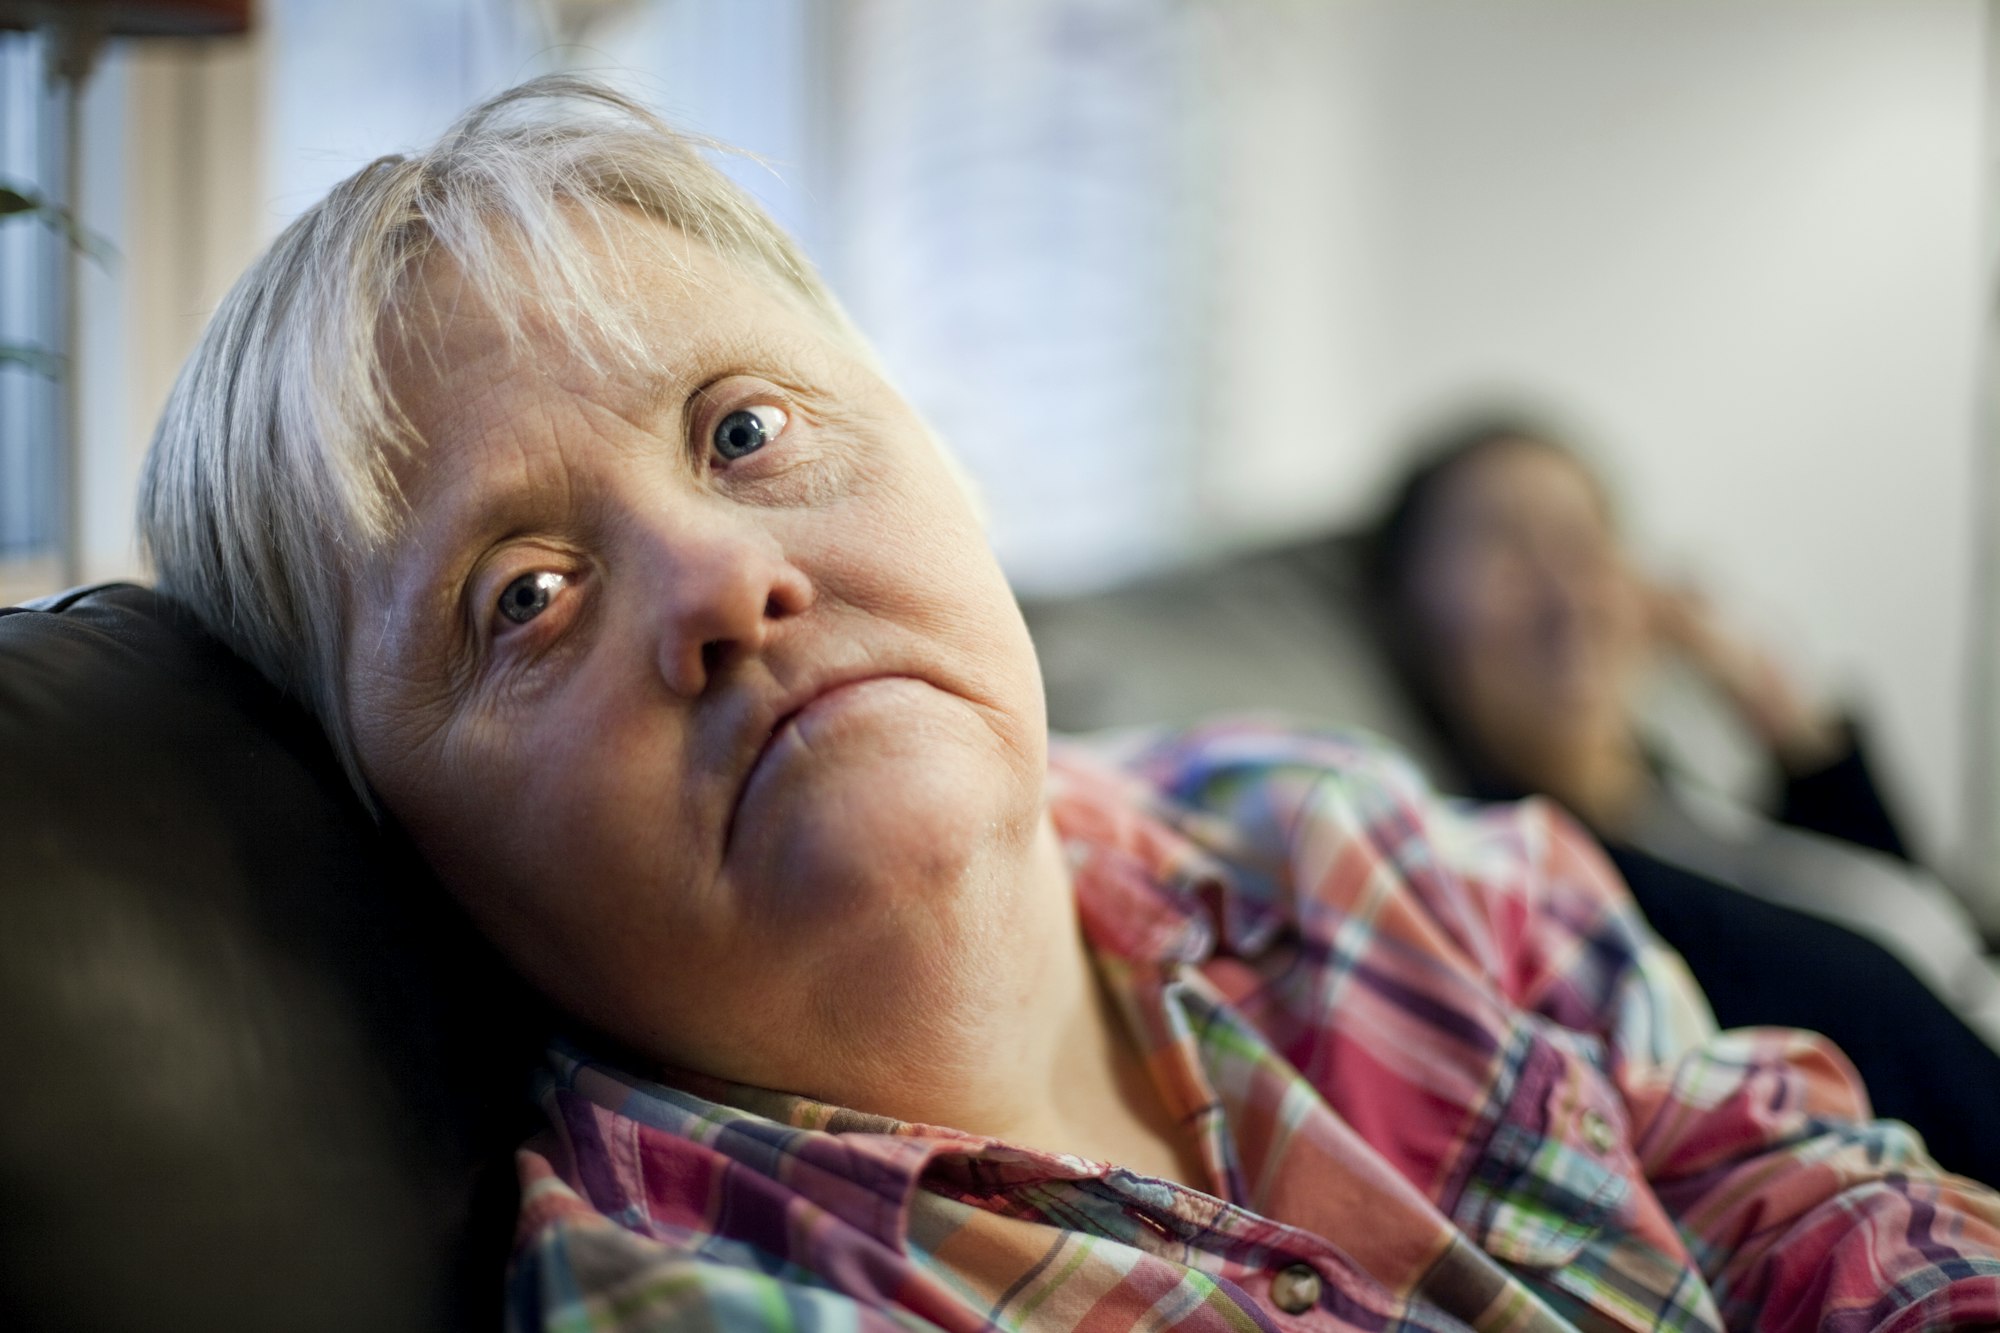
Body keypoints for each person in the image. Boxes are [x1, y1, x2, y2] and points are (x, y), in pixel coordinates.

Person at [135, 78, 2000, 1332]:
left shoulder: (1341, 827)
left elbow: (1815, 1198)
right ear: (410, 851)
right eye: (522, 597)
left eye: (746, 429)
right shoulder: (699, 1298)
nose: (716, 578)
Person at [1360, 415, 2000, 1177]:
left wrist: (1739, 668)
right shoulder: (1548, 905)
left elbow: (1899, 900)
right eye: (1504, 546)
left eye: (1585, 541)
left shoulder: (1693, 809)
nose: (1565, 594)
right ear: (1407, 612)